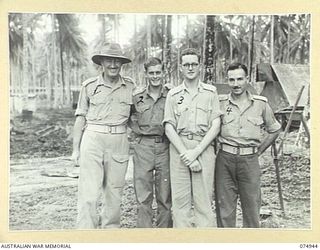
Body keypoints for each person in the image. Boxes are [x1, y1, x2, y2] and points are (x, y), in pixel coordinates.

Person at [71, 43, 134, 229]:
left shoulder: (130, 86)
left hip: (119, 140)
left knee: (114, 193)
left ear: (122, 63)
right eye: (109, 60)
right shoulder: (89, 86)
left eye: (117, 60)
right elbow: (80, 118)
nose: (113, 64)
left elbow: (138, 113)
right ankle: (86, 235)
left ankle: (110, 235)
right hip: (93, 139)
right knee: (88, 192)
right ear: (102, 63)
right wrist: (75, 150)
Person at [215, 62, 281, 228]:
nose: (236, 84)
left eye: (239, 79)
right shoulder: (220, 103)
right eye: (231, 80)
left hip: (249, 161)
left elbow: (274, 129)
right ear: (227, 81)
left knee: (251, 209)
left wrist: (259, 151)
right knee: (224, 210)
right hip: (224, 160)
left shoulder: (260, 104)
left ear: (247, 79)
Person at [162, 48, 221, 227]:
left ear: (200, 66)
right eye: (186, 64)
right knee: (180, 203)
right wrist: (186, 154)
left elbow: (216, 125)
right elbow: (168, 127)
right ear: (181, 67)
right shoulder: (173, 95)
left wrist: (196, 152)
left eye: (194, 64)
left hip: (203, 147)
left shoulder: (211, 93)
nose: (190, 68)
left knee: (204, 202)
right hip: (179, 148)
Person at [129, 57, 173, 228]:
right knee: (143, 197)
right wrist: (136, 134)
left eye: (158, 72)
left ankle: (165, 238)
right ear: (146, 75)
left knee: (165, 196)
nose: (155, 76)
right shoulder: (137, 97)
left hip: (165, 146)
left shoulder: (171, 96)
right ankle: (144, 238)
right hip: (143, 147)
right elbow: (127, 118)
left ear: (163, 73)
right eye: (151, 73)